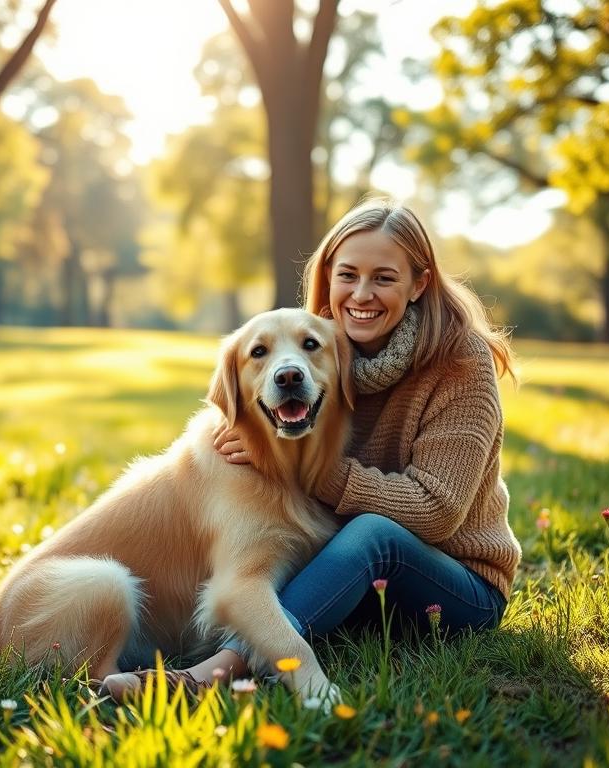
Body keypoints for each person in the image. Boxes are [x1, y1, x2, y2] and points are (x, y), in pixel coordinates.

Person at [101, 199, 522, 699]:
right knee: (273, 552)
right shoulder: (315, 346)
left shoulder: (459, 360)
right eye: (348, 275)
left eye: (384, 278)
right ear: (328, 277)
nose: (361, 294)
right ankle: (235, 638)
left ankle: (214, 671)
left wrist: (313, 472)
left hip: (457, 585)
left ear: (418, 284)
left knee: (373, 534)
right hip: (355, 575)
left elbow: (437, 511)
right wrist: (251, 439)